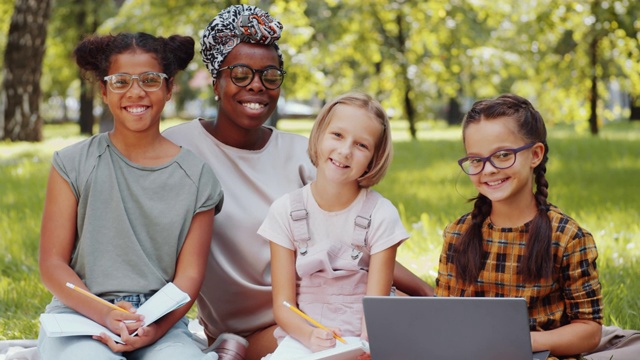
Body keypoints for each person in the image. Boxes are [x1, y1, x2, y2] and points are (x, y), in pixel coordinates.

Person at [163, 5, 432, 360]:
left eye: (270, 75)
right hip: (267, 324)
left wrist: (431, 294)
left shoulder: (303, 153)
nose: (256, 85)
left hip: (334, 309)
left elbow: (359, 245)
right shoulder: (181, 148)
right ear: (216, 81)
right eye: (240, 73)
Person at [37, 32, 223, 359]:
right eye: (121, 81)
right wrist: (104, 313)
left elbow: (189, 277)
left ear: (169, 88)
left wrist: (155, 328)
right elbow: (52, 264)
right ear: (104, 91)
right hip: (80, 312)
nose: (136, 91)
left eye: (150, 80)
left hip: (159, 319)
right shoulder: (72, 163)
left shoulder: (197, 177)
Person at [435, 94, 603, 359]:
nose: (488, 170)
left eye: (502, 155)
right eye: (476, 160)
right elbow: (445, 317)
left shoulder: (567, 237)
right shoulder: (458, 234)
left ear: (535, 155)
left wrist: (519, 341)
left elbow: (589, 331)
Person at [258, 92, 406, 357]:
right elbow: (283, 307)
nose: (345, 151)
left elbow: (377, 309)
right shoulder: (285, 211)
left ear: (374, 159)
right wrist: (309, 336)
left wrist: (365, 347)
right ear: (319, 135)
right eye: (337, 135)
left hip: (362, 341)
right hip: (304, 338)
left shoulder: (382, 214)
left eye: (362, 145)